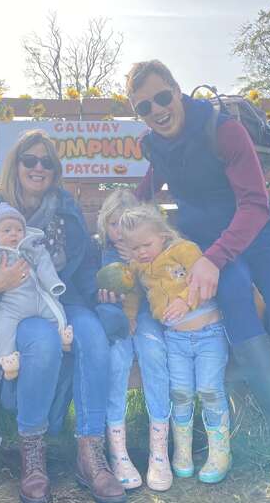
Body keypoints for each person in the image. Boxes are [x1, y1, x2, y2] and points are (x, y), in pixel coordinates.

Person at [127, 60, 270, 490]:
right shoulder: (155, 145)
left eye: (163, 97)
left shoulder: (223, 132)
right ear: (139, 114)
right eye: (144, 106)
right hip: (210, 249)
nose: (157, 109)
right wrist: (118, 222)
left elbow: (255, 205)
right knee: (234, 296)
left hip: (257, 234)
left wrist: (213, 258)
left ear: (178, 91)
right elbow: (147, 190)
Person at [0, 129, 125, 503]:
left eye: (46, 161)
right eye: (29, 160)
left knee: (94, 338)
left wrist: (98, 292)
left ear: (55, 169)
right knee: (44, 341)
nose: (38, 167)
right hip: (12, 308)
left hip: (61, 300)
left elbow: (82, 264)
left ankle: (90, 453)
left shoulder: (64, 205)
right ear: (15, 164)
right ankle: (32, 451)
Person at [121, 204, 231, 484]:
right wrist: (130, 317)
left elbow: (203, 279)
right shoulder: (138, 267)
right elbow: (133, 294)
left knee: (209, 389)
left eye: (146, 244)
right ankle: (182, 452)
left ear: (162, 235)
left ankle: (220, 452)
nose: (142, 252)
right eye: (134, 248)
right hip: (175, 339)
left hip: (208, 333)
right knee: (180, 392)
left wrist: (186, 300)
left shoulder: (183, 249)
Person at [96, 189, 172, 491]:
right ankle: (118, 451)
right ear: (105, 225)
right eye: (113, 224)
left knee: (153, 352)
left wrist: (139, 265)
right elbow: (95, 286)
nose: (119, 232)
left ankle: (159, 451)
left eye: (125, 226)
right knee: (117, 359)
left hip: (147, 315)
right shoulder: (101, 252)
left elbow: (161, 285)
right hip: (115, 317)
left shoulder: (147, 251)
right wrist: (102, 296)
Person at [0, 202, 73, 379]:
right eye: (6, 231)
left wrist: (53, 283)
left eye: (18, 230)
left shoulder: (30, 248)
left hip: (36, 295)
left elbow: (44, 263)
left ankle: (63, 334)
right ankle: (9, 361)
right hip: (9, 303)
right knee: (2, 328)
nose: (13, 234)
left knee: (55, 308)